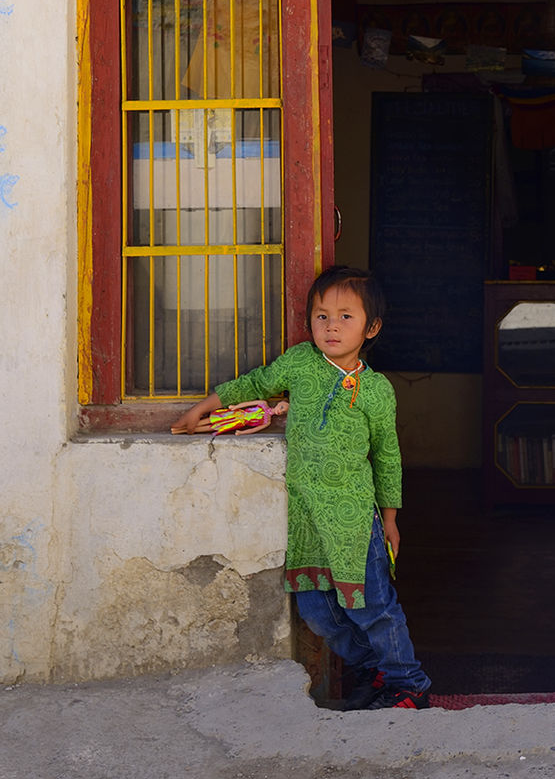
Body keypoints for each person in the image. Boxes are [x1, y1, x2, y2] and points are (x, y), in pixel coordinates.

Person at [171, 264, 431, 711]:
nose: (331, 326)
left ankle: (409, 685)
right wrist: (204, 407)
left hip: (355, 522)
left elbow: (387, 458)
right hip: (308, 519)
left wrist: (390, 520)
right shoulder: (299, 363)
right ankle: (375, 670)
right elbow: (254, 383)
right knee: (317, 610)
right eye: (321, 316)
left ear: (371, 328)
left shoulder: (376, 390)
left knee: (373, 608)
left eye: (346, 317)